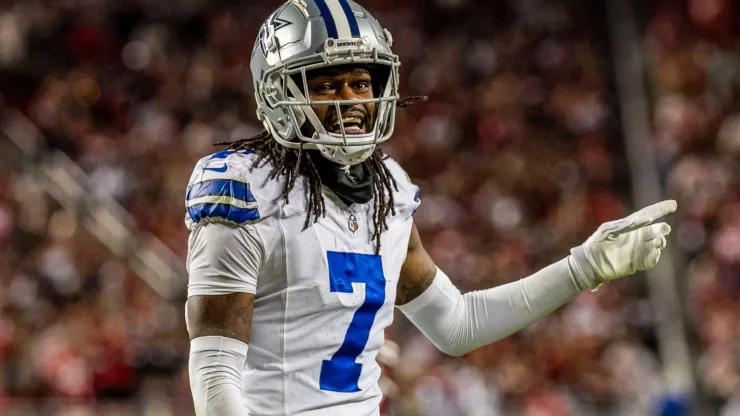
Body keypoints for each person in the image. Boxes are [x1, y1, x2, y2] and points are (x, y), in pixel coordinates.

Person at [184, 1, 676, 415]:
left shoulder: (387, 193)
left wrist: (583, 267)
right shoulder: (244, 187)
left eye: (361, 83)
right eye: (327, 85)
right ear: (278, 94)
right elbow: (215, 375)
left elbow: (457, 324)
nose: (352, 101)